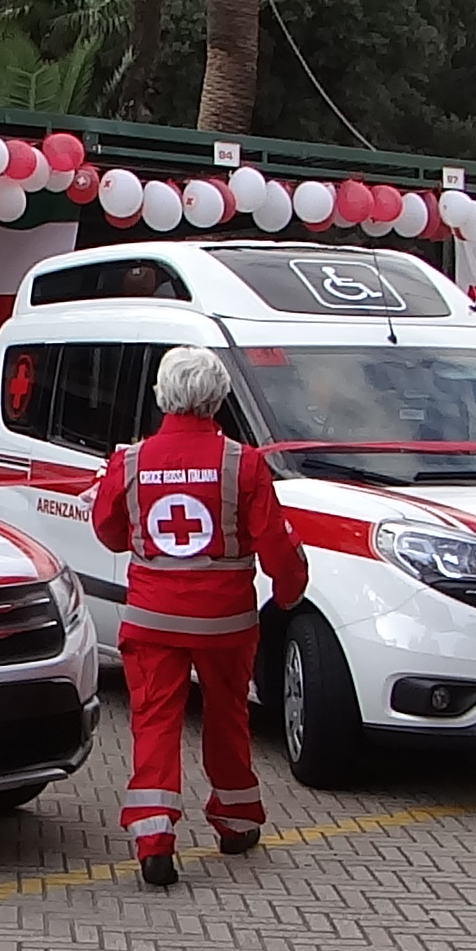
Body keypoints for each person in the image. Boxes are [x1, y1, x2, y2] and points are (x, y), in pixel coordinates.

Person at [91, 346, 309, 887]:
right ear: (218, 396)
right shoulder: (244, 462)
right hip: (225, 620)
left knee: (154, 720)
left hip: (153, 617)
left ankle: (153, 833)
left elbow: (109, 530)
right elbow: (275, 545)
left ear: (163, 394)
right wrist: (289, 591)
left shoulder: (131, 461)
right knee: (227, 714)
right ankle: (236, 820)